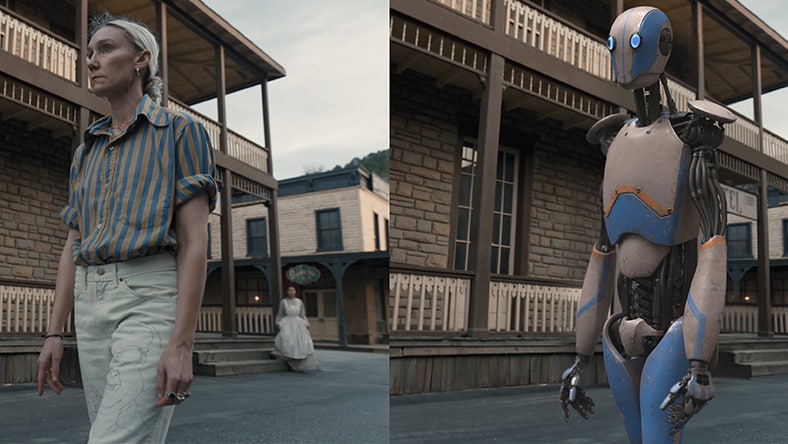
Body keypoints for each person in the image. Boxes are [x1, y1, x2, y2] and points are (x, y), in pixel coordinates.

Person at [35, 12, 217, 443]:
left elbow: (194, 243)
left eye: (106, 49)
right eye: (90, 53)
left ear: (141, 60)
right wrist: (55, 332)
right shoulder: (87, 151)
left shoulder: (180, 131)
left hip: (149, 298)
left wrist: (182, 344)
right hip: (91, 303)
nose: (92, 61)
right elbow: (72, 246)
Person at [273, 286, 318, 372]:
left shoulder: (299, 302)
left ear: (295, 292)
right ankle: (290, 359)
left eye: (293, 290)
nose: (291, 292)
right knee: (288, 340)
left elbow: (302, 314)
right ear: (287, 292)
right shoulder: (284, 302)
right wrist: (278, 322)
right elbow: (280, 313)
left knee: (302, 341)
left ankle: (301, 363)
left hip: (298, 323)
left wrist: (306, 322)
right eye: (289, 290)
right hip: (288, 322)